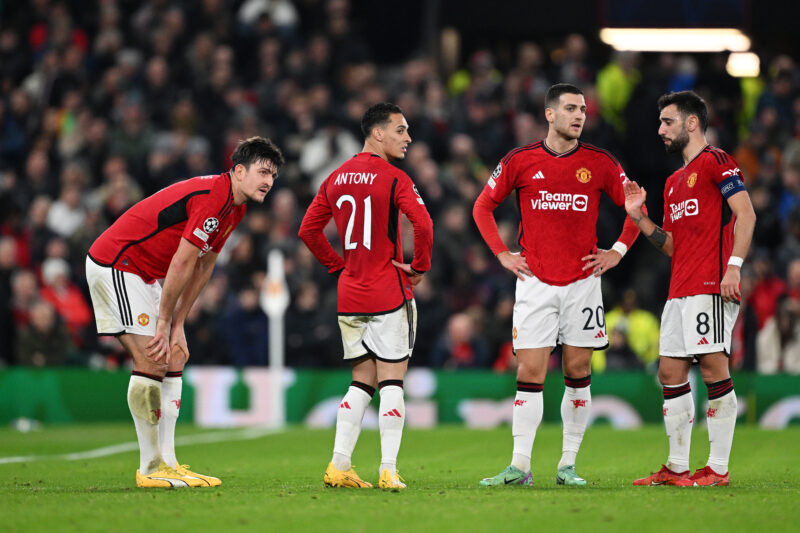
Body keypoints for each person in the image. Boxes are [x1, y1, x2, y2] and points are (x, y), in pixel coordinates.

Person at [85, 136, 284, 488]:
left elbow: (204, 265)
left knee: (174, 354)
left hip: (144, 274)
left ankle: (170, 462)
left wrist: (178, 324)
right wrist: (164, 322)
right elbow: (181, 261)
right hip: (117, 263)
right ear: (239, 171)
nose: (269, 181)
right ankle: (150, 467)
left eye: (274, 175)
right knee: (153, 357)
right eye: (263, 172)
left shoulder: (235, 208)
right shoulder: (214, 197)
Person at [472, 83, 642, 487]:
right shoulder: (520, 160)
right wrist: (502, 254)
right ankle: (520, 467)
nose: (579, 115)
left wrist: (618, 251)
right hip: (534, 282)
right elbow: (482, 206)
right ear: (549, 114)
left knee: (577, 369)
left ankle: (567, 465)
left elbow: (636, 207)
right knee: (529, 370)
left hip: (583, 282)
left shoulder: (600, 162)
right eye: (570, 108)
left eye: (582, 109)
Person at [299, 102, 433, 490]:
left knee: (361, 381)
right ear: (377, 133)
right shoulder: (394, 178)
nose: (408, 138)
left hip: (350, 294)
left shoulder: (335, 177)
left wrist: (337, 267)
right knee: (392, 382)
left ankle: (339, 464)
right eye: (400, 130)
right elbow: (423, 223)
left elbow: (308, 230)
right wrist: (419, 266)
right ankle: (388, 469)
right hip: (388, 290)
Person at [624, 91, 756, 487]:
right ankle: (677, 467)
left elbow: (746, 214)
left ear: (692, 122)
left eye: (668, 122)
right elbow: (672, 246)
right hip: (679, 290)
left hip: (711, 285)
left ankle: (718, 468)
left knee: (714, 368)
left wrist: (734, 268)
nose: (660, 130)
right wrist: (640, 218)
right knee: (669, 372)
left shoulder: (717, 161)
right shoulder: (672, 183)